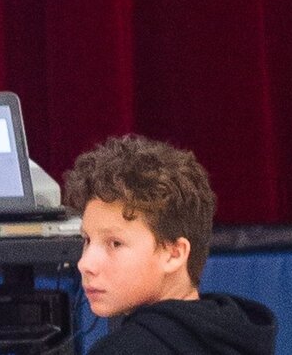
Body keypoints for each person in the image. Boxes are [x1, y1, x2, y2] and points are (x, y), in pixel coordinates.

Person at [66, 134, 276, 354]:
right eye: (87, 240)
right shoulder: (239, 335)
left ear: (175, 253)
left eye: (115, 243)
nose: (85, 263)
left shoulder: (123, 350)